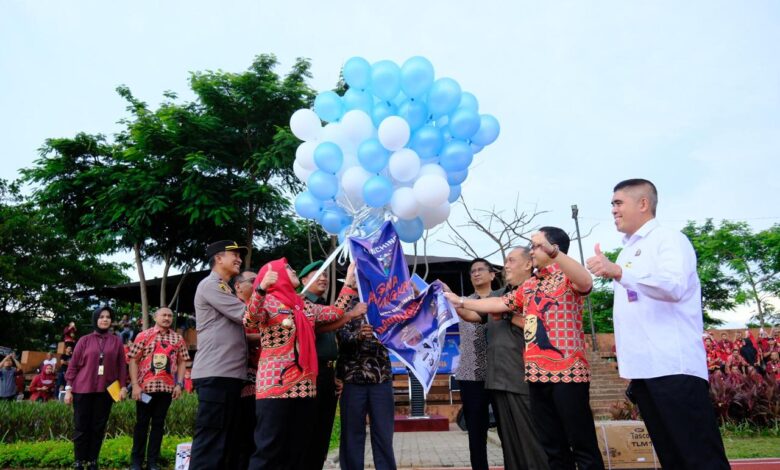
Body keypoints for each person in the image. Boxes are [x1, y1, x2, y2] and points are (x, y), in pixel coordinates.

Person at [586, 178, 729, 469]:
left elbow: (673, 286)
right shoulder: (628, 250)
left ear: (643, 204)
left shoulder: (669, 239)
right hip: (644, 370)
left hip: (673, 366)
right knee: (671, 456)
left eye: (618, 203)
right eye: (612, 204)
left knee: (699, 457)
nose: (613, 210)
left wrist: (618, 273)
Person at [445, 228, 604, 470]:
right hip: (536, 375)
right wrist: (461, 301)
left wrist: (554, 253)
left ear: (553, 248)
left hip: (568, 374)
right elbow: (499, 302)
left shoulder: (567, 278)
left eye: (536, 246)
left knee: (581, 444)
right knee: (553, 447)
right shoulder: (529, 286)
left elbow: (585, 281)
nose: (532, 251)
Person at [244, 258, 358, 470]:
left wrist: (349, 283)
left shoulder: (302, 304)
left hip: (305, 385)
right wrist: (260, 289)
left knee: (298, 448)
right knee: (269, 448)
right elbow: (250, 320)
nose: (293, 269)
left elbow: (335, 313)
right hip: (275, 387)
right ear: (274, 274)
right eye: (288, 267)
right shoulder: (267, 301)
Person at [452, 249, 549, 470]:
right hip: (494, 377)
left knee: (529, 436)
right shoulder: (502, 296)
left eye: (510, 260)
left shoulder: (531, 290)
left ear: (528, 264)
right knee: (506, 436)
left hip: (521, 374)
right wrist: (454, 299)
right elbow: (474, 315)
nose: (506, 265)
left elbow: (541, 327)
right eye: (472, 271)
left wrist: (507, 314)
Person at [189, 240, 250, 470]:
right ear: (218, 258)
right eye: (234, 254)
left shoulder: (225, 287)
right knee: (211, 442)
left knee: (226, 442)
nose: (239, 259)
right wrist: (265, 294)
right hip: (217, 374)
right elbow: (246, 315)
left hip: (229, 376)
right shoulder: (211, 285)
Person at [64, 305, 128, 470]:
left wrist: (122, 387)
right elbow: (73, 366)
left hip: (105, 391)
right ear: (95, 319)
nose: (105, 319)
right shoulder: (84, 340)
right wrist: (68, 389)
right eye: (101, 316)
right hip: (82, 390)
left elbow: (122, 366)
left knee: (98, 427)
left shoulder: (116, 341)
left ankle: (92, 460)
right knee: (81, 426)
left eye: (107, 317)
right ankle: (79, 460)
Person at [127, 307, 190, 470]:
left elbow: (183, 361)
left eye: (170, 315)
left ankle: (152, 462)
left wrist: (179, 383)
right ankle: (136, 462)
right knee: (141, 424)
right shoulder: (143, 335)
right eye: (164, 315)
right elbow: (133, 360)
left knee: (158, 425)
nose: (167, 318)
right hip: (145, 388)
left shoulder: (177, 338)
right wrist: (134, 385)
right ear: (156, 317)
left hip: (167, 388)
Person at [336, 297, 394, 470]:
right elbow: (340, 335)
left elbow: (401, 332)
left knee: (383, 433)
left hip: (381, 378)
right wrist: (358, 335)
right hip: (351, 379)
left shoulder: (387, 304)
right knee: (351, 433)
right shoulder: (346, 304)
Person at [297, 260, 340, 470]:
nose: (323, 278)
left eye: (325, 275)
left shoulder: (323, 305)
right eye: (316, 274)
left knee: (323, 430)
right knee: (309, 430)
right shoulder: (302, 303)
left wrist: (335, 375)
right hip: (311, 374)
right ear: (303, 280)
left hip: (328, 375)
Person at [452, 258, 492, 470]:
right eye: (472, 271)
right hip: (470, 373)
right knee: (476, 432)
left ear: (492, 274)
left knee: (509, 428)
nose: (476, 274)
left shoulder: (503, 298)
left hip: (499, 373)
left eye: (481, 270)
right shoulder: (462, 301)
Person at [234, 270, 260, 470]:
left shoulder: (258, 308)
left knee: (256, 433)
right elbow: (240, 337)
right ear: (238, 286)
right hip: (242, 378)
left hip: (262, 378)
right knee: (242, 433)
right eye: (253, 281)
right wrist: (271, 334)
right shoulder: (234, 309)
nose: (257, 283)